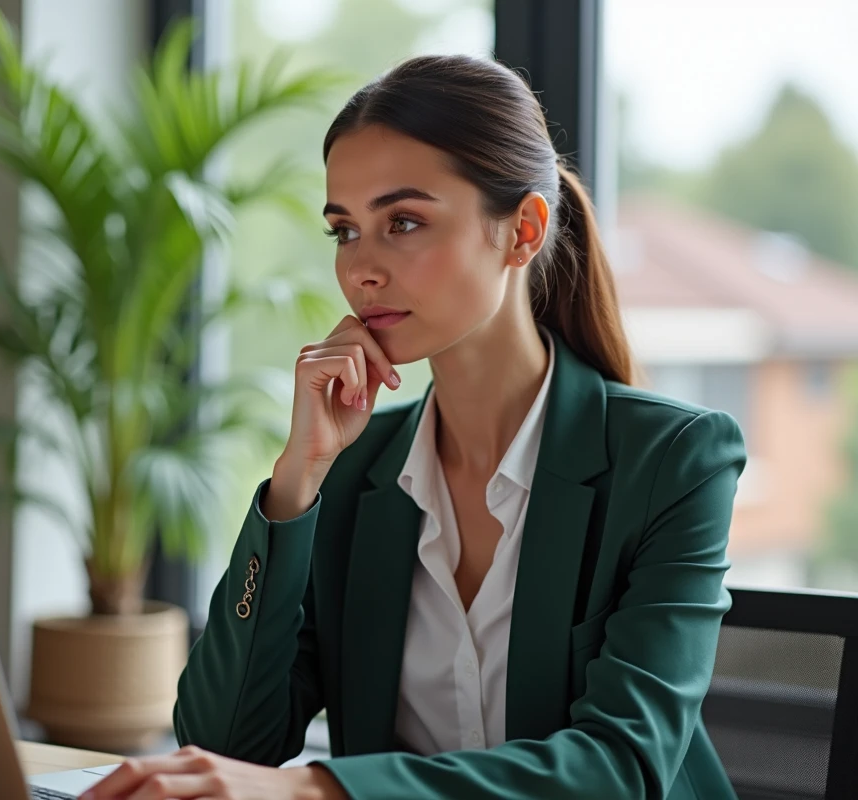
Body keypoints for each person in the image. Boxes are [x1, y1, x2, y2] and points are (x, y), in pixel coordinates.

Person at [85, 54, 746, 800]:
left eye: (403, 222)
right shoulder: (355, 465)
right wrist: (295, 486)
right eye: (344, 231)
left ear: (522, 231)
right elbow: (225, 745)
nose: (361, 270)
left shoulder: (675, 459)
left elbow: (622, 767)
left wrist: (320, 791)